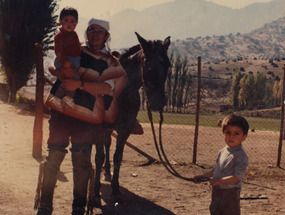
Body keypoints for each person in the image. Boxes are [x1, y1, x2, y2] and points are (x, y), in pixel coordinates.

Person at [35, 18, 127, 215]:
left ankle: (78, 208)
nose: (95, 34)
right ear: (87, 32)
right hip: (61, 110)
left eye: (100, 32)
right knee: (54, 155)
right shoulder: (75, 49)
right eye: (92, 30)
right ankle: (44, 206)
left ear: (106, 36)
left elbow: (108, 88)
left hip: (87, 118)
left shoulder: (111, 62)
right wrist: (58, 70)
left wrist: (81, 85)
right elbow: (53, 63)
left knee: (81, 160)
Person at [194, 114, 249, 215]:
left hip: (230, 193)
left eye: (236, 133)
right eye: (228, 132)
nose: (231, 136)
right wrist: (202, 176)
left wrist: (219, 181)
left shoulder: (240, 155)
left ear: (244, 137)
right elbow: (216, 169)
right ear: (223, 133)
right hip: (217, 191)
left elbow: (238, 177)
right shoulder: (222, 151)